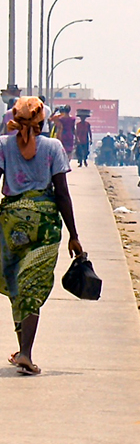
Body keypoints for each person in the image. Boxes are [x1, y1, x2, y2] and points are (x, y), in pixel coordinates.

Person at [0, 97, 84, 376]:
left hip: (11, 222)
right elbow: (62, 193)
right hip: (44, 223)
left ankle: (21, 349)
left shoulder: (3, 145)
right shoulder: (53, 147)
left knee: (16, 283)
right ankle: (25, 352)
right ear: (42, 122)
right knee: (32, 285)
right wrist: (74, 234)